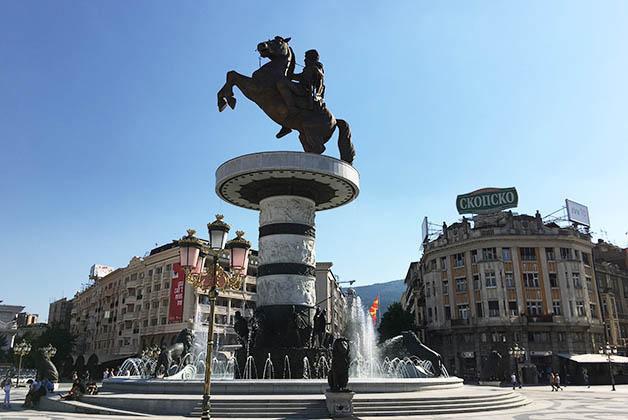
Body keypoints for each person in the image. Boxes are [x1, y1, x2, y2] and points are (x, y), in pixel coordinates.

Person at [275, 49, 326, 138]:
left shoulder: (312, 68)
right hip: (305, 89)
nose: (304, 60)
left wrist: (289, 75)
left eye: (306, 57)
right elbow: (301, 77)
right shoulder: (316, 68)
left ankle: (292, 109)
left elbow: (303, 79)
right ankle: (286, 124)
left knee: (281, 84)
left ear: (311, 58)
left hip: (304, 90)